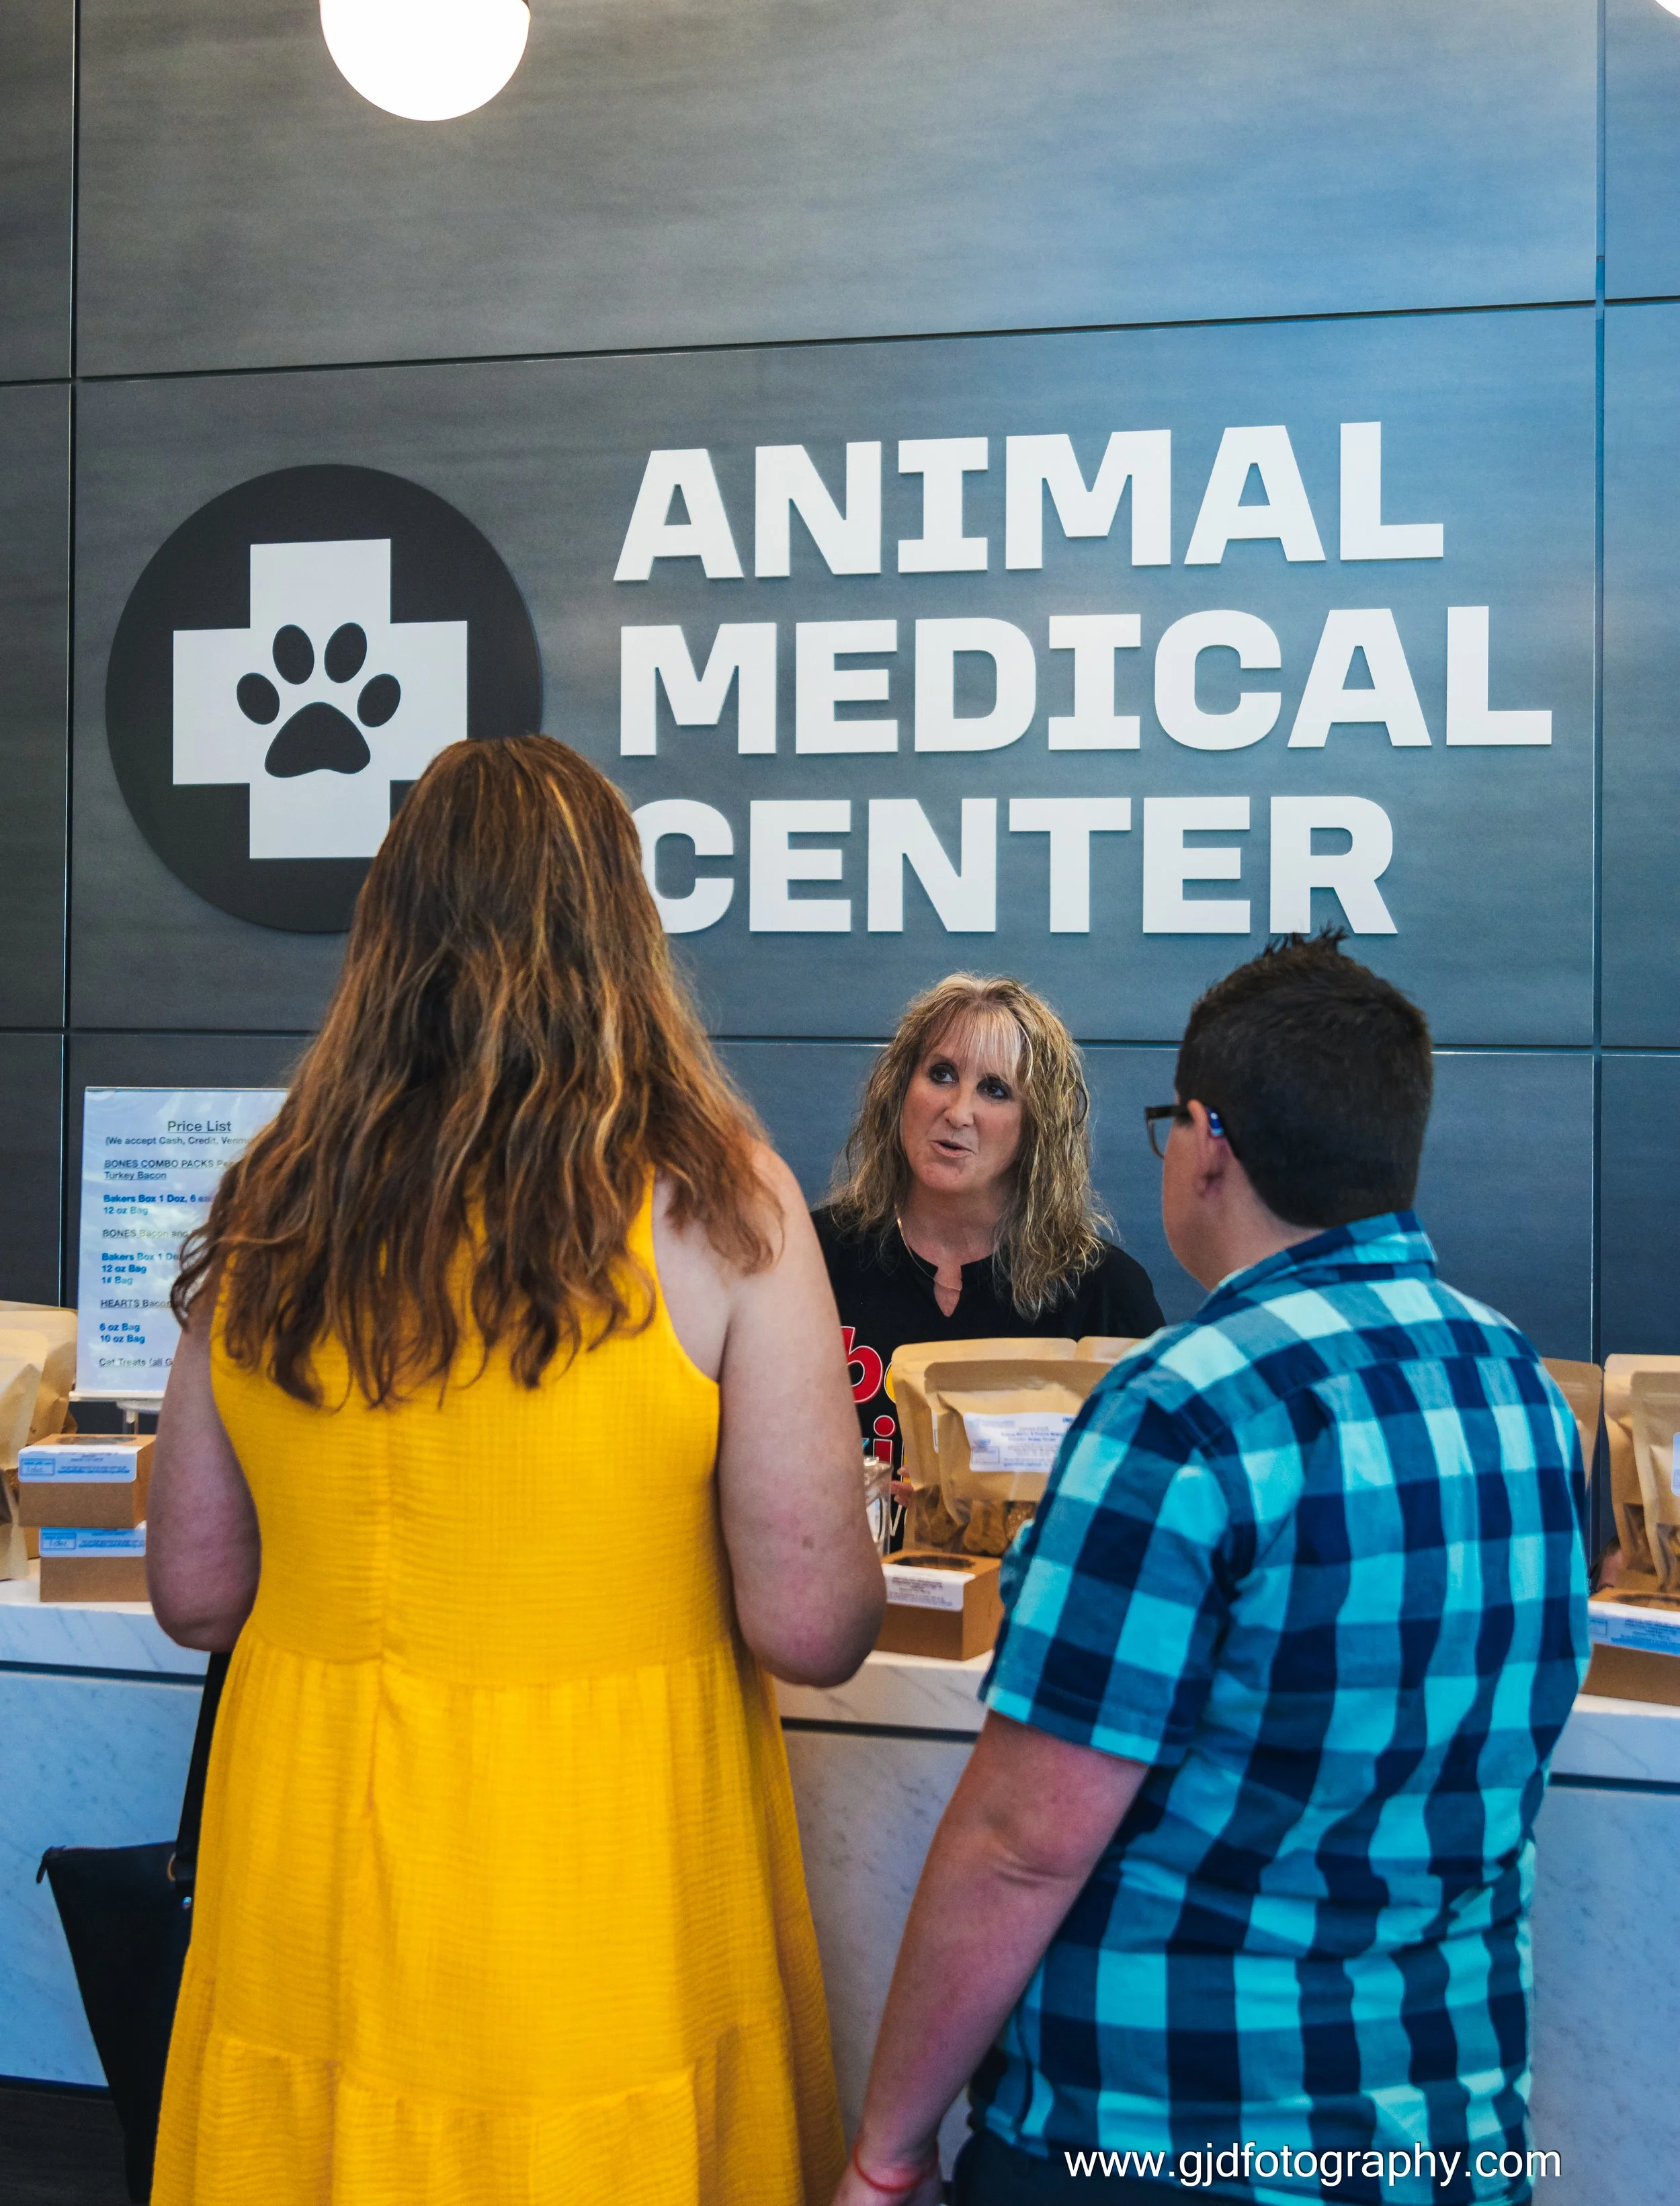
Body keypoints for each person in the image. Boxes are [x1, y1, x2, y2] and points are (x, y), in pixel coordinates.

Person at [144, 734, 884, 2206]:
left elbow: (194, 1589)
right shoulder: (717, 1197)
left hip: (314, 1870)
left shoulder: (274, 1196)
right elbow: (811, 1625)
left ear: (384, 932)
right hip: (603, 1875)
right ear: (622, 926)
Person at [833, 932, 1589, 2206]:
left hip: (1157, 2133)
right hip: (1445, 2134)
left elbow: (1024, 1842)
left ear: (1208, 1139)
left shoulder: (1181, 1408)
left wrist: (886, 2146)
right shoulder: (1525, 1388)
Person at [813, 975, 1162, 1470]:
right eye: (941, 1074)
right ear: (899, 1091)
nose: (958, 1112)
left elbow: (1143, 1492)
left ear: (1035, 1126)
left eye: (995, 1090)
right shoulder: (811, 1259)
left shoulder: (1103, 1295)